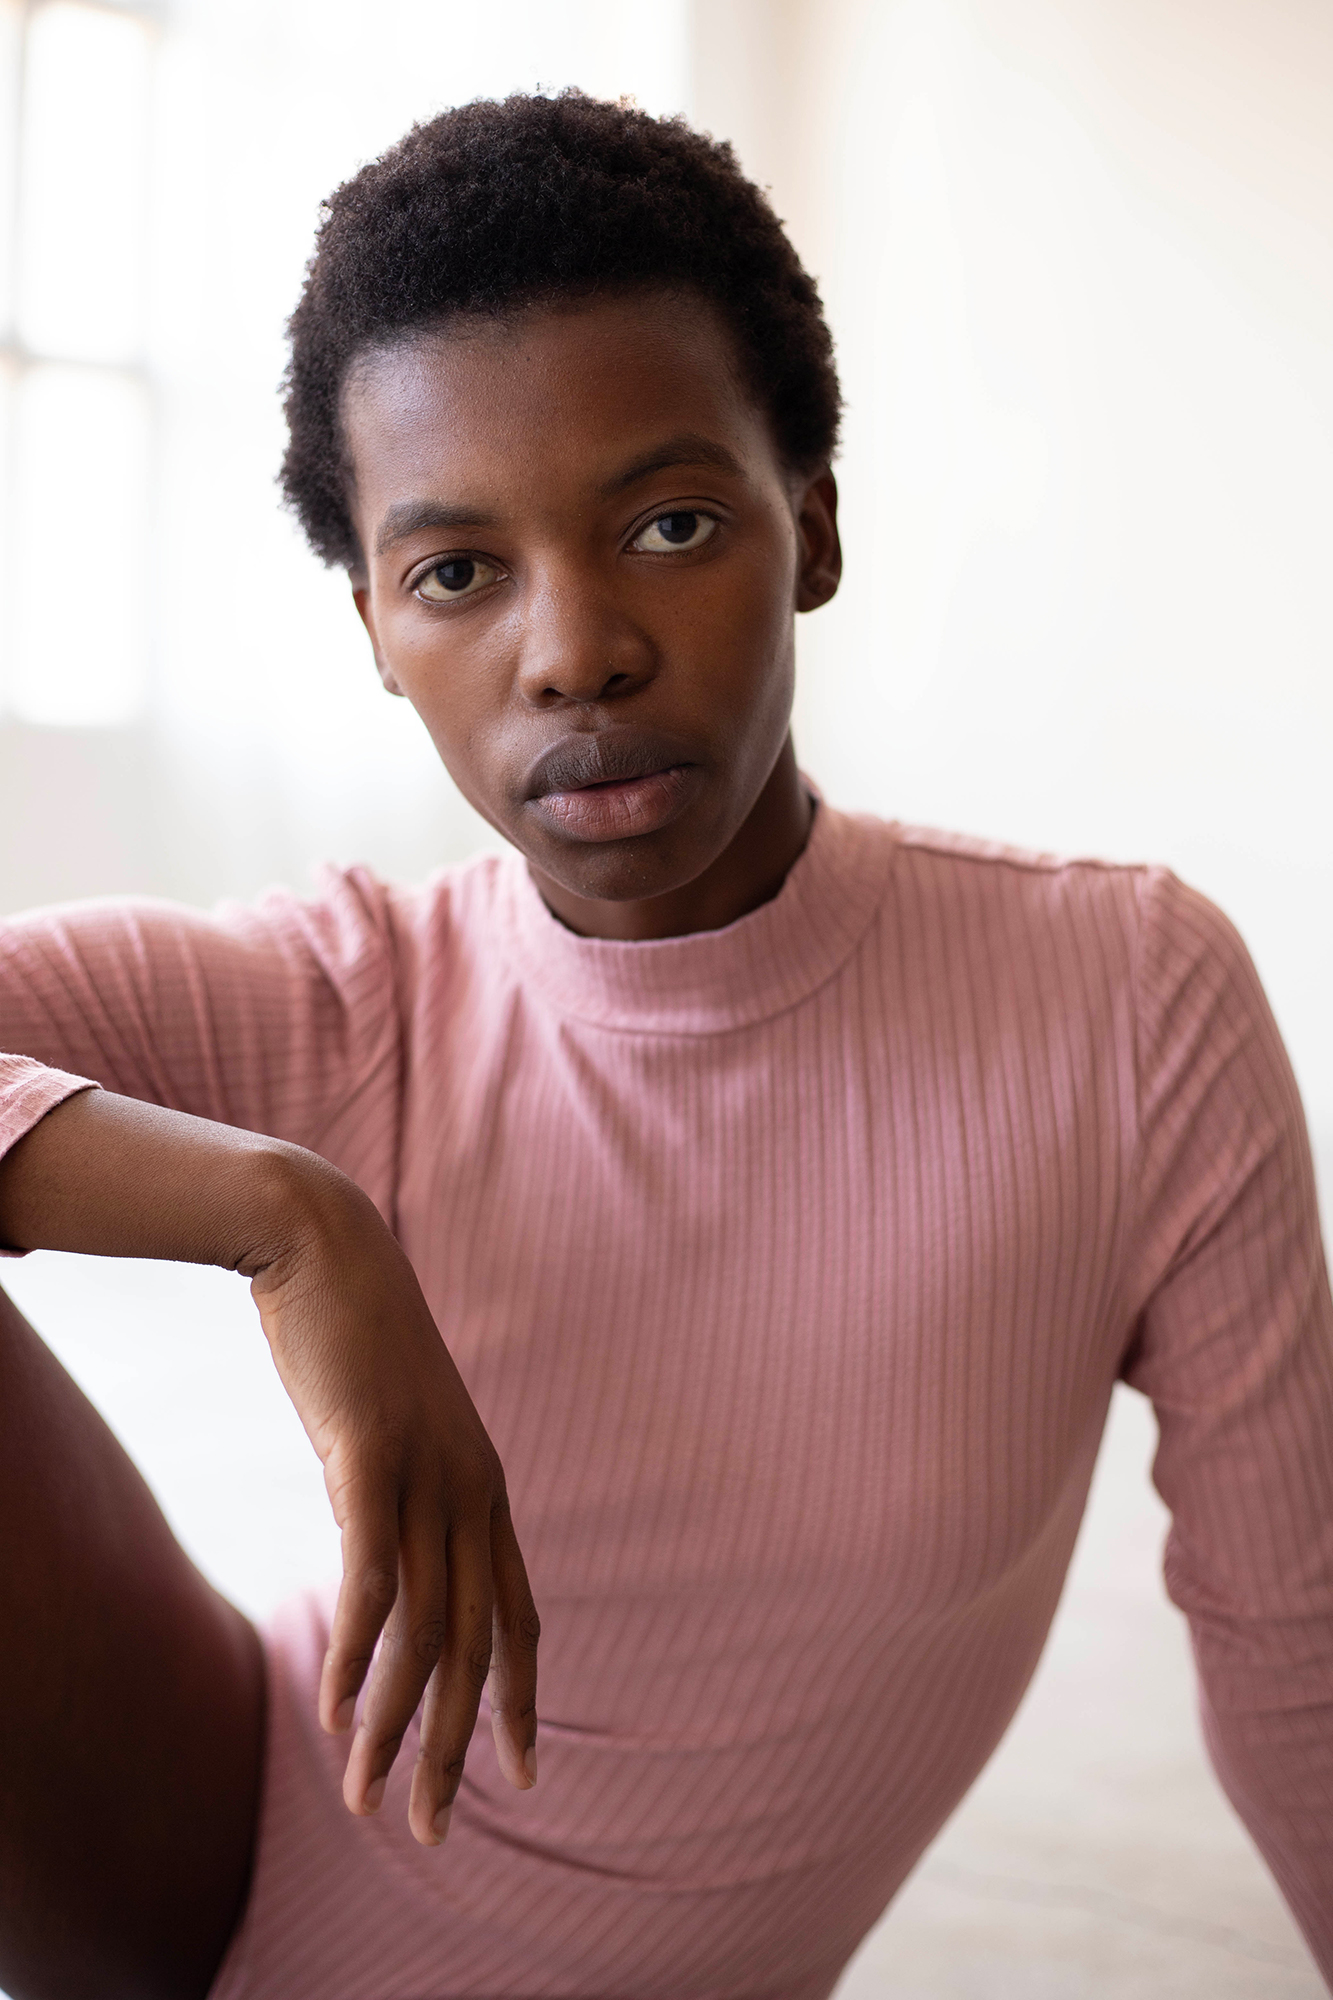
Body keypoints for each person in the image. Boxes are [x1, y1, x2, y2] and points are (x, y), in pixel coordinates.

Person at [0, 90, 1329, 2000]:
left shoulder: (1125, 1003)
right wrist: (292, 1225)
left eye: (671, 523)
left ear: (813, 531)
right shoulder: (346, 992)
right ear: (376, 626)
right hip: (183, 1858)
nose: (576, 651)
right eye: (456, 571)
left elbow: (1302, 1648)